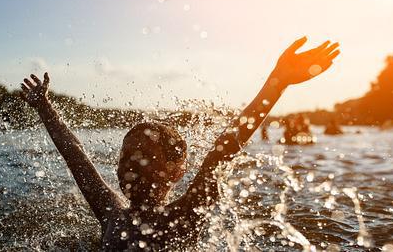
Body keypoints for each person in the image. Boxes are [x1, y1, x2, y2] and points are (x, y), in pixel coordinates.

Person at [20, 36, 340, 250]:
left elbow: (224, 149)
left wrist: (278, 81)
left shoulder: (184, 216)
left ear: (176, 171)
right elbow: (75, 156)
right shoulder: (111, 212)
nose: (130, 163)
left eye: (144, 155)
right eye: (125, 156)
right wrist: (45, 108)